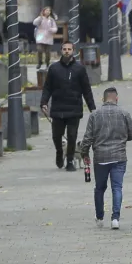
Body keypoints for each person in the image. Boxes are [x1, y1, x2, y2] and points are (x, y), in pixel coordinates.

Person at [80, 87, 132, 230]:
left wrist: (84, 153)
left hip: (100, 157)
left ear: (103, 99)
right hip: (119, 156)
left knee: (100, 188)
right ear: (116, 98)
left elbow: (88, 138)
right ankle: (115, 219)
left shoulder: (95, 115)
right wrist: (123, 139)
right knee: (117, 187)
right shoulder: (124, 113)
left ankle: (99, 217)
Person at [41, 42, 97, 171]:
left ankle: (70, 160)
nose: (67, 51)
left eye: (69, 49)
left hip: (74, 109)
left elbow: (86, 89)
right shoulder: (54, 69)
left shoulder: (79, 69)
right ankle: (60, 152)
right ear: (61, 51)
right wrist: (44, 103)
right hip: (58, 109)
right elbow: (47, 87)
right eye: (64, 49)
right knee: (56, 135)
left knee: (72, 136)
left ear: (73, 51)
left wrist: (92, 107)